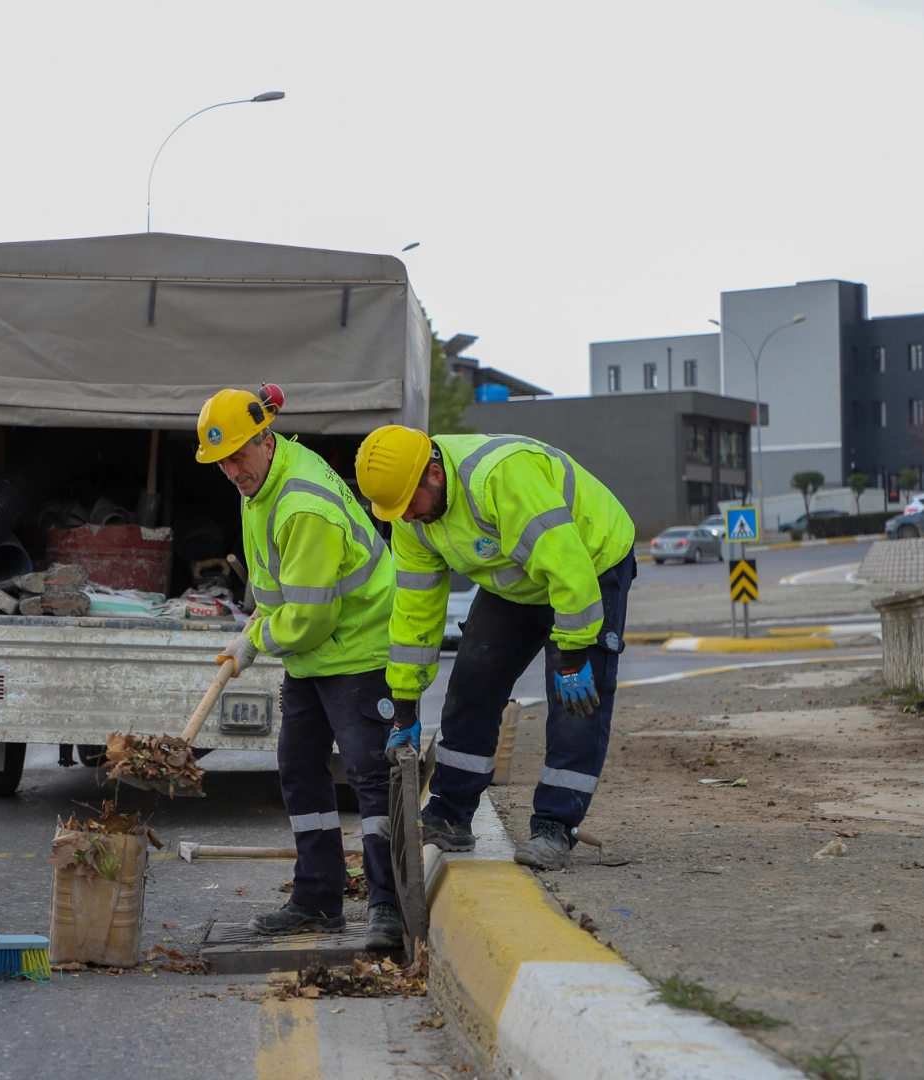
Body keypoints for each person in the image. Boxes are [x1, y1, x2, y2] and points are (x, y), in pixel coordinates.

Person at [353, 426, 635, 870]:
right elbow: (414, 613)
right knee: (472, 683)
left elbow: (566, 562)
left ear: (434, 473)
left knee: (575, 700)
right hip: (516, 579)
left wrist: (575, 654)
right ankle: (450, 814)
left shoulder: (499, 478)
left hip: (589, 560)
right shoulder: (409, 520)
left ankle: (554, 828)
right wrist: (404, 706)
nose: (404, 517)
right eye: (394, 511)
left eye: (408, 504)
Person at [196, 386, 405, 949]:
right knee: (298, 765)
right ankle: (317, 901)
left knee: (368, 774)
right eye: (221, 463)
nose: (232, 471)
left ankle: (390, 908)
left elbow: (309, 617)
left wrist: (256, 640)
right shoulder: (260, 482)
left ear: (266, 440)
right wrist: (254, 633)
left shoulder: (302, 504)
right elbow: (278, 584)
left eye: (239, 456)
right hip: (315, 655)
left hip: (358, 649)